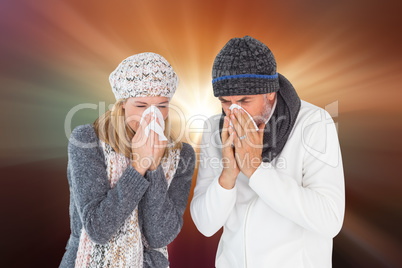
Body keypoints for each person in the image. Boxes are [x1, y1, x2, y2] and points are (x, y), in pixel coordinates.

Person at [190, 36, 345, 267]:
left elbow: (329, 220)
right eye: (225, 101)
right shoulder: (216, 128)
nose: (234, 112)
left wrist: (256, 170)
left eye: (245, 100)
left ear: (270, 92)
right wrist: (227, 178)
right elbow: (205, 225)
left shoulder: (313, 123)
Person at [60, 52, 196, 268]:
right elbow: (98, 229)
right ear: (122, 104)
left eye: (161, 106)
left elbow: (160, 236)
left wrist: (154, 166)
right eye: (141, 106)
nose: (152, 117)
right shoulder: (87, 141)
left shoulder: (182, 155)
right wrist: (138, 165)